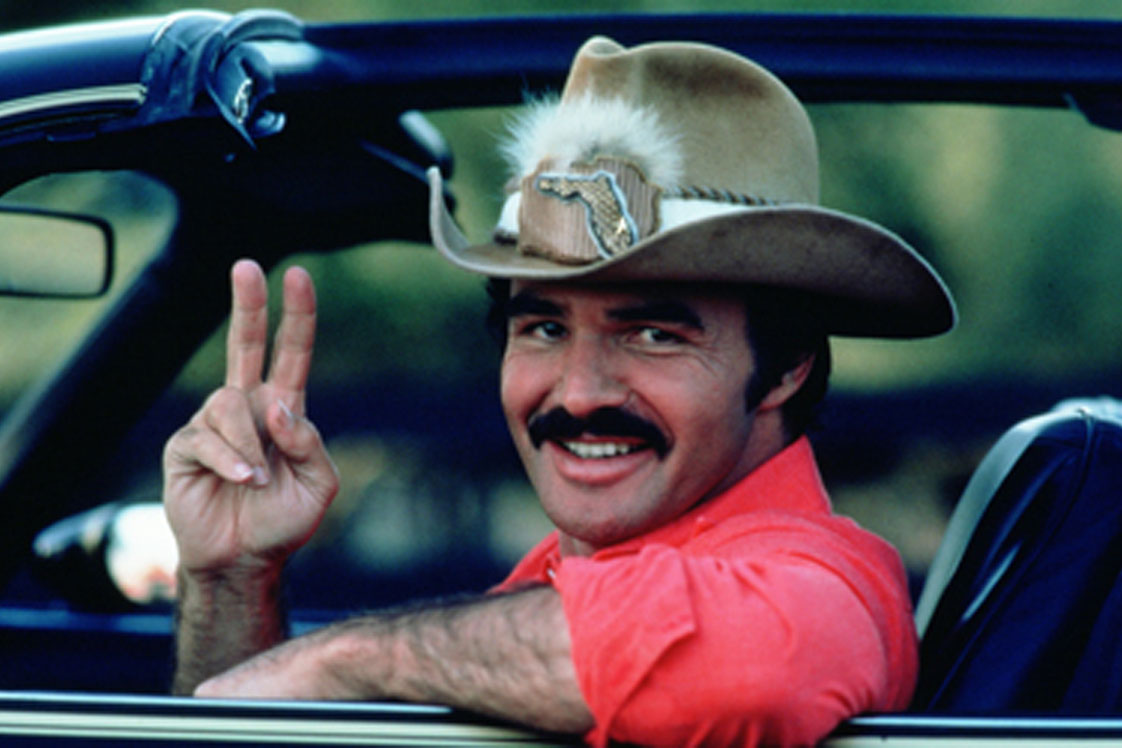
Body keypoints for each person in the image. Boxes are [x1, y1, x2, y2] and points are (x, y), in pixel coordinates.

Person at [163, 36, 956, 746]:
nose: (578, 393)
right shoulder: (555, 585)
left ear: (788, 367)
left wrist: (348, 657)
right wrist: (234, 578)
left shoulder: (827, 578)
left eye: (654, 334)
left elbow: (754, 672)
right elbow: (239, 725)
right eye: (544, 327)